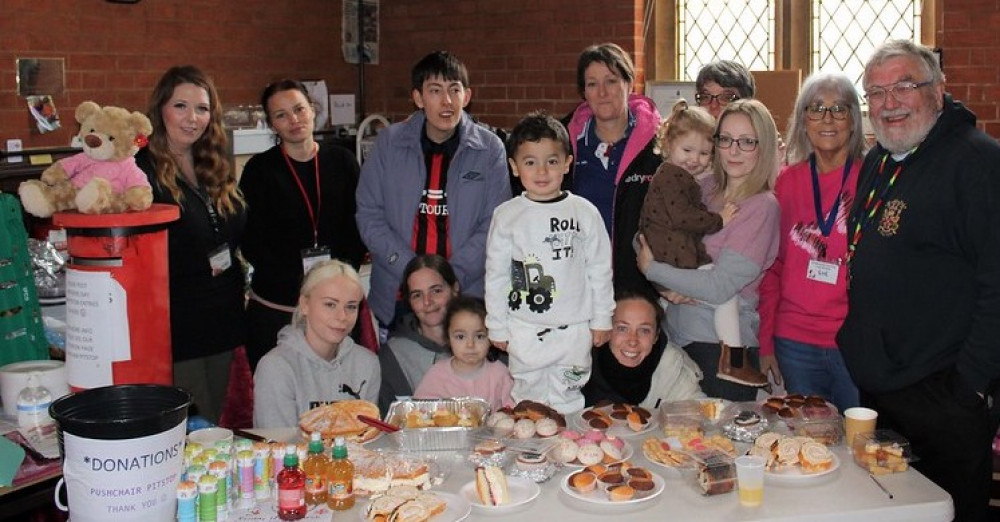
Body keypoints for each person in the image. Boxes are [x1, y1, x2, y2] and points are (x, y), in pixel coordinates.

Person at [837, 40, 1000, 522]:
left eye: (904, 86)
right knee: (889, 512)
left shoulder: (978, 163)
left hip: (944, 396)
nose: (889, 103)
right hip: (883, 391)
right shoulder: (879, 160)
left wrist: (969, 385)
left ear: (939, 89)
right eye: (876, 92)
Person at [355, 50, 510, 336]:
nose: (447, 101)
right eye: (435, 91)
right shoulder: (389, 143)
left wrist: (450, 279)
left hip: (465, 294)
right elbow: (369, 215)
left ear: (467, 96)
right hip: (398, 293)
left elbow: (495, 224)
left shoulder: (490, 150)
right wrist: (412, 275)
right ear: (418, 98)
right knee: (402, 377)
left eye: (454, 90)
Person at [637, 99, 780, 401]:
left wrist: (656, 270)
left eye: (747, 141)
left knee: (721, 446)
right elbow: (646, 231)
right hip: (677, 337)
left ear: (764, 146)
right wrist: (664, 285)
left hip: (719, 351)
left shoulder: (761, 207)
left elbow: (719, 288)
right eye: (726, 139)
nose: (734, 150)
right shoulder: (703, 186)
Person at [136, 65, 246, 424]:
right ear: (160, 110)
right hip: (177, 327)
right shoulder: (141, 171)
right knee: (194, 426)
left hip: (224, 319)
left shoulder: (213, 162)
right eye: (180, 106)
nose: (192, 118)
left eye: (201, 108)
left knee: (226, 419)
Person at [485, 112, 614, 413]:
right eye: (530, 162)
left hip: (574, 329)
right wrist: (497, 326)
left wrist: (602, 318)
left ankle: (567, 447)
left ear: (567, 162)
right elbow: (497, 275)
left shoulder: (584, 212)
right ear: (515, 167)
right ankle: (530, 451)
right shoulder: (507, 216)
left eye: (552, 161)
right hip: (524, 328)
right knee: (528, 398)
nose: (542, 171)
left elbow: (599, 269)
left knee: (568, 394)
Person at [757, 72, 866, 414]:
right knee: (809, 442)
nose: (828, 119)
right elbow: (772, 267)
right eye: (817, 108)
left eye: (839, 109)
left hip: (854, 342)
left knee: (858, 443)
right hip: (795, 342)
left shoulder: (872, 178)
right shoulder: (787, 182)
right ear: (804, 119)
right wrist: (766, 342)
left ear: (854, 119)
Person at [240, 79, 367, 370]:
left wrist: (338, 279)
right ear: (272, 125)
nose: (293, 120)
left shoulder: (342, 161)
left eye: (299, 109)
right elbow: (251, 239)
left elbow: (358, 225)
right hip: (278, 305)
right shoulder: (259, 170)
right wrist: (300, 284)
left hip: (335, 305)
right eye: (281, 115)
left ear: (312, 109)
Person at [640, 100, 741, 349]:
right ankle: (734, 358)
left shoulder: (678, 175)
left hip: (670, 257)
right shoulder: (672, 177)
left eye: (704, 153)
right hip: (676, 257)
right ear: (668, 144)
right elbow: (682, 217)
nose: (695, 159)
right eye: (687, 150)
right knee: (726, 297)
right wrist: (719, 220)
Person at [566, 42, 662, 298]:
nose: (602, 92)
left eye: (611, 80)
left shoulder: (659, 146)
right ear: (583, 92)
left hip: (640, 286)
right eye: (592, 84)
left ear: (629, 84)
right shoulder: (565, 145)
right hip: (580, 287)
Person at [253, 260, 380, 428]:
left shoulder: (367, 363)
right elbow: (279, 445)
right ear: (305, 305)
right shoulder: (276, 367)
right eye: (330, 304)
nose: (342, 316)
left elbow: (368, 437)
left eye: (351, 307)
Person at [583, 290, 705, 408]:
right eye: (622, 328)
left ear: (656, 336)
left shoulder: (672, 367)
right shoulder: (578, 361)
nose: (632, 341)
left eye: (644, 330)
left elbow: (702, 413)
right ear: (606, 329)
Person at [377, 254, 459, 412]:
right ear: (408, 301)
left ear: (454, 289)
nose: (427, 302)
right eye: (417, 295)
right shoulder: (393, 355)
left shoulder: (483, 340)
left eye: (436, 291)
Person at [413, 296, 514, 410]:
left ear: (491, 338)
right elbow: (420, 412)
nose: (470, 345)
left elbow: (513, 413)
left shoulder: (500, 374)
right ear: (448, 338)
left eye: (479, 336)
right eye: (460, 337)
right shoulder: (437, 374)